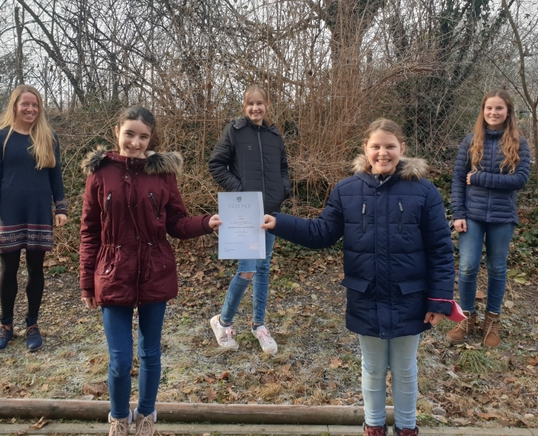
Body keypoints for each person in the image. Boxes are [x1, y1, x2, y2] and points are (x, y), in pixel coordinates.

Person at [262, 119, 455, 436]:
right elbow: (321, 233)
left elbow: (440, 250)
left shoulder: (424, 191)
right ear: (365, 149)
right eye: (376, 146)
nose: (383, 153)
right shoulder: (346, 190)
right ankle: (374, 426)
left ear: (402, 149)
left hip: (412, 298)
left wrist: (439, 299)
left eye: (390, 146)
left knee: (405, 369)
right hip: (366, 296)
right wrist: (278, 222)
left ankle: (407, 427)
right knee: (373, 368)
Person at [80, 106, 221, 436]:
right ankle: (118, 417)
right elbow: (89, 230)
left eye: (143, 136)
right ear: (117, 131)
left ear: (150, 138)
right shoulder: (100, 173)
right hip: (112, 273)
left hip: (155, 270)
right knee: (119, 360)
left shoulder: (162, 173)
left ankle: (145, 416)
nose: (135, 142)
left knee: (150, 352)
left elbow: (175, 222)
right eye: (129, 134)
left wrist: (206, 223)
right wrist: (87, 281)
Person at [0, 85, 68, 352]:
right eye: (25, 104)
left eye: (35, 105)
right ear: (15, 106)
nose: (31, 109)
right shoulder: (0, 138)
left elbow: (56, 177)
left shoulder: (48, 137)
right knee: (8, 270)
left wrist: (61, 208)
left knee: (35, 269)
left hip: (38, 212)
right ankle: (6, 326)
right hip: (8, 213)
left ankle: (33, 324)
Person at [208, 85, 290, 355]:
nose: (255, 108)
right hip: (244, 212)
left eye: (260, 103)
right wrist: (240, 191)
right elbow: (216, 165)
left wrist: (283, 190)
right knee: (248, 268)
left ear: (267, 105)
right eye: (250, 104)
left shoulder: (274, 135)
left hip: (270, 212)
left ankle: (259, 325)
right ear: (244, 106)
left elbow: (283, 168)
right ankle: (223, 322)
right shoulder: (235, 131)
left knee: (263, 268)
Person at [447, 90, 531, 348]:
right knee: (468, 267)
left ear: (508, 112)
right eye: (489, 108)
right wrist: (458, 214)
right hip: (471, 216)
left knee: (497, 268)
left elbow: (520, 180)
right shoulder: (471, 141)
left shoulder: (519, 143)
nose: (493, 113)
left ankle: (492, 321)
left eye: (499, 108)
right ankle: (466, 318)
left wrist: (480, 177)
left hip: (502, 217)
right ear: (483, 111)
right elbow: (459, 180)